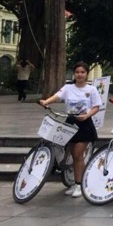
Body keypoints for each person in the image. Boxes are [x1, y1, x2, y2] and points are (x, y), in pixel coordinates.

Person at [39, 62, 101, 198]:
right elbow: (57, 96)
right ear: (74, 74)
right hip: (70, 123)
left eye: (82, 72)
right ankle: (74, 182)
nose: (80, 74)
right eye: (77, 72)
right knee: (72, 154)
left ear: (86, 74)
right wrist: (46, 102)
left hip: (85, 124)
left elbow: (96, 106)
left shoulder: (91, 90)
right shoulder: (68, 87)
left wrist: (87, 116)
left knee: (78, 155)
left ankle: (79, 185)